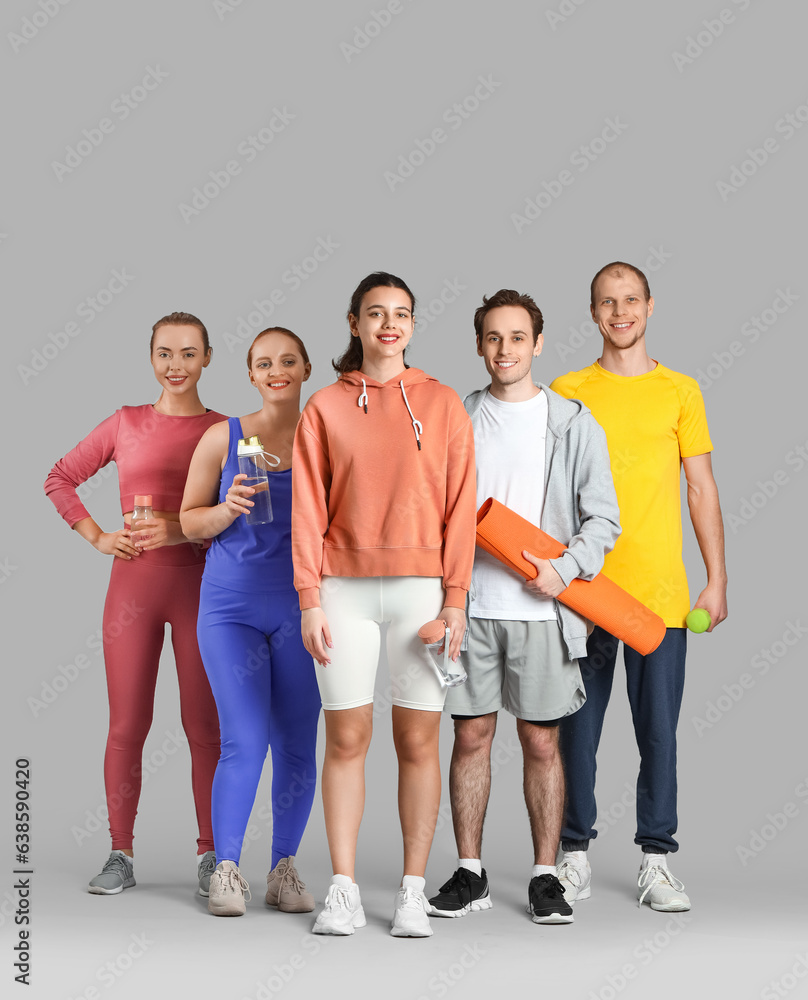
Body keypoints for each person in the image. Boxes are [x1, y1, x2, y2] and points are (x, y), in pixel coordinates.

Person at [426, 289, 621, 925]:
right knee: (471, 736)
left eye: (517, 338)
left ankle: (544, 877)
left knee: (541, 743)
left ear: (537, 344)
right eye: (492, 338)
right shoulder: (457, 415)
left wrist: (562, 572)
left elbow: (603, 520)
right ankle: (470, 871)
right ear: (479, 345)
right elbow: (429, 506)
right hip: (470, 609)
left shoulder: (573, 422)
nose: (504, 350)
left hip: (546, 615)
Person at [292, 271, 476, 938]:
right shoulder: (324, 408)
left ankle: (411, 889)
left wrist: (456, 600)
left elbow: (462, 510)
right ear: (354, 322)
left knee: (417, 738)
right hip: (341, 589)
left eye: (400, 314)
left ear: (413, 326)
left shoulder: (444, 402)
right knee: (346, 736)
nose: (388, 324)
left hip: (420, 592)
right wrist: (309, 600)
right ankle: (342, 888)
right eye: (375, 313)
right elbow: (307, 508)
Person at [551, 261, 728, 911]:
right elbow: (547, 491)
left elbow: (700, 487)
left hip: (660, 593)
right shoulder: (568, 390)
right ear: (592, 312)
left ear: (650, 306)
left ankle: (656, 861)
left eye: (630, 300)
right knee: (577, 730)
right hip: (585, 591)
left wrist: (718, 579)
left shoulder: (681, 391)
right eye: (606, 302)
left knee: (658, 733)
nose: (619, 311)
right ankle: (572, 857)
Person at [44, 312, 225, 895]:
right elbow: (59, 478)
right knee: (127, 724)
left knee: (204, 726)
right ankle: (120, 852)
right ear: (150, 358)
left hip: (202, 589)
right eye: (165, 353)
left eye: (189, 354)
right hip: (133, 591)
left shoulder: (225, 429)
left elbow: (250, 511)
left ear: (207, 358)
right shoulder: (125, 423)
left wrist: (189, 529)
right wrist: (98, 537)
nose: (177, 365)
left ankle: (211, 853)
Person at [180, 327, 321, 917]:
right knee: (243, 739)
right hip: (230, 608)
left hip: (301, 609)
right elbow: (188, 523)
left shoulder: (324, 437)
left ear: (306, 367)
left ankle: (283, 868)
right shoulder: (224, 437)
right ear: (249, 373)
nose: (276, 371)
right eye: (264, 363)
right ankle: (227, 870)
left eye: (287, 361)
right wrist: (224, 508)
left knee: (297, 742)